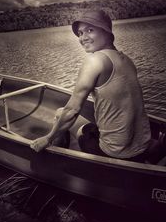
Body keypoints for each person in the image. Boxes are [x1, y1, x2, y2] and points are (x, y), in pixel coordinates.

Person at [30, 9, 152, 162]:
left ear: (107, 32)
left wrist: (48, 138)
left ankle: (57, 159)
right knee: (88, 124)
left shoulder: (95, 60)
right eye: (80, 33)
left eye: (90, 30)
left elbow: (72, 110)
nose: (83, 38)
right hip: (142, 145)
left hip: (114, 152)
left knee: (63, 114)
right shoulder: (127, 59)